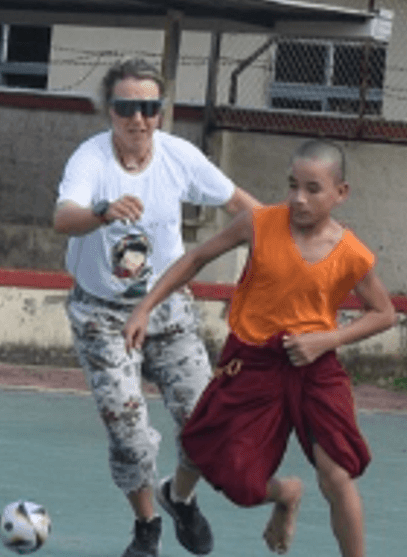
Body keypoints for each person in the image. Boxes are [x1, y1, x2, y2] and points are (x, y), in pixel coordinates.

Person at [124, 139, 396, 557]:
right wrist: (145, 307)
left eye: (313, 188)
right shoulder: (260, 223)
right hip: (252, 361)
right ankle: (285, 494)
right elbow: (195, 260)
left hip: (316, 366)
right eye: (292, 186)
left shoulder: (352, 254)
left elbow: (384, 313)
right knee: (237, 478)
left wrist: (329, 339)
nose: (299, 199)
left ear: (341, 193)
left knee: (337, 475)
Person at [53, 58, 260, 557]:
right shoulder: (91, 159)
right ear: (110, 111)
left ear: (162, 112)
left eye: (150, 107)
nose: (139, 119)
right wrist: (102, 213)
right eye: (127, 107)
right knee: (129, 432)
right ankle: (147, 525)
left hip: (167, 311)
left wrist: (292, 242)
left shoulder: (178, 156)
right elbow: (63, 218)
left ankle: (179, 497)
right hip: (103, 315)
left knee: (204, 422)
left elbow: (241, 206)